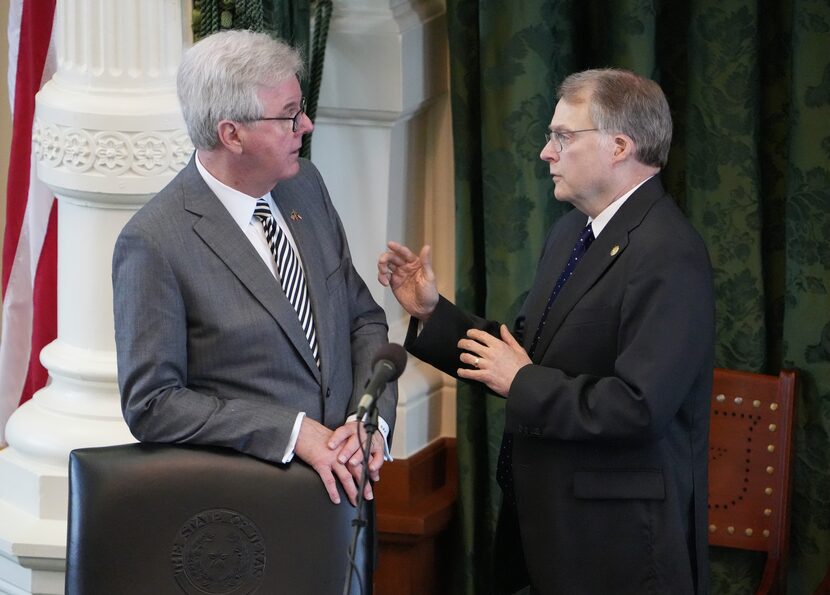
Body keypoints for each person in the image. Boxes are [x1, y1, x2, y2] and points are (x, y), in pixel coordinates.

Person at [378, 69, 714, 594]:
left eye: (562, 137)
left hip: (616, 546)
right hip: (547, 527)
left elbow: (640, 406)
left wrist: (523, 382)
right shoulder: (571, 233)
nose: (546, 152)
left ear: (619, 145)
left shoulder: (669, 252)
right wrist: (431, 313)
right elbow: (521, 354)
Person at [113, 30, 396, 509]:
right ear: (231, 134)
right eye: (288, 115)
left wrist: (369, 421)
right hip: (247, 510)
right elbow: (153, 404)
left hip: (349, 498)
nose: (305, 125)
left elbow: (362, 319)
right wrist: (292, 432)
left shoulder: (306, 185)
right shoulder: (155, 242)